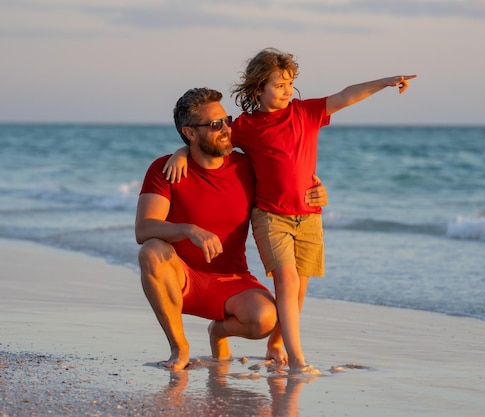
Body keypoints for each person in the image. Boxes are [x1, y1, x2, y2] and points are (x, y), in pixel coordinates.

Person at [164, 47, 417, 372]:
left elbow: (346, 95)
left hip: (309, 217)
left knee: (299, 290)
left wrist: (385, 81)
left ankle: (277, 344)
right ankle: (298, 359)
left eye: (289, 83)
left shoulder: (306, 112)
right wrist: (179, 154)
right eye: (279, 84)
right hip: (271, 216)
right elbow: (213, 140)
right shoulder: (246, 125)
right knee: (286, 280)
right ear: (259, 89)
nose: (287, 90)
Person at [135, 87, 327, 371]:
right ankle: (179, 347)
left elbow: (288, 181)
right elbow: (144, 228)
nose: (226, 128)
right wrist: (190, 230)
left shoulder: (246, 166)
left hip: (232, 281)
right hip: (181, 279)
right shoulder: (166, 169)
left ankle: (219, 331)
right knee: (151, 251)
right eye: (215, 125)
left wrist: (317, 191)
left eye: (227, 120)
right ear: (190, 133)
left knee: (265, 318)